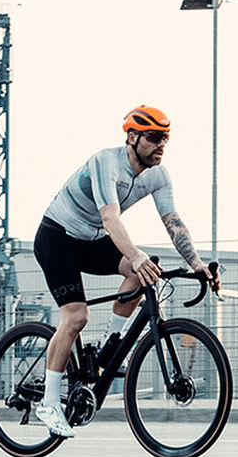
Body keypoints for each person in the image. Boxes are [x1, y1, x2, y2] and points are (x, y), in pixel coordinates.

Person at [31, 105, 218, 438]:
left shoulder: (158, 176)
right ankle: (48, 402)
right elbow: (110, 218)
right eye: (154, 138)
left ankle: (107, 346)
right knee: (76, 317)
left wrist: (197, 264)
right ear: (132, 137)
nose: (161, 145)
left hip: (93, 240)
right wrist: (136, 255)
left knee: (142, 273)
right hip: (57, 237)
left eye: (166, 139)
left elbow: (172, 222)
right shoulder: (106, 162)